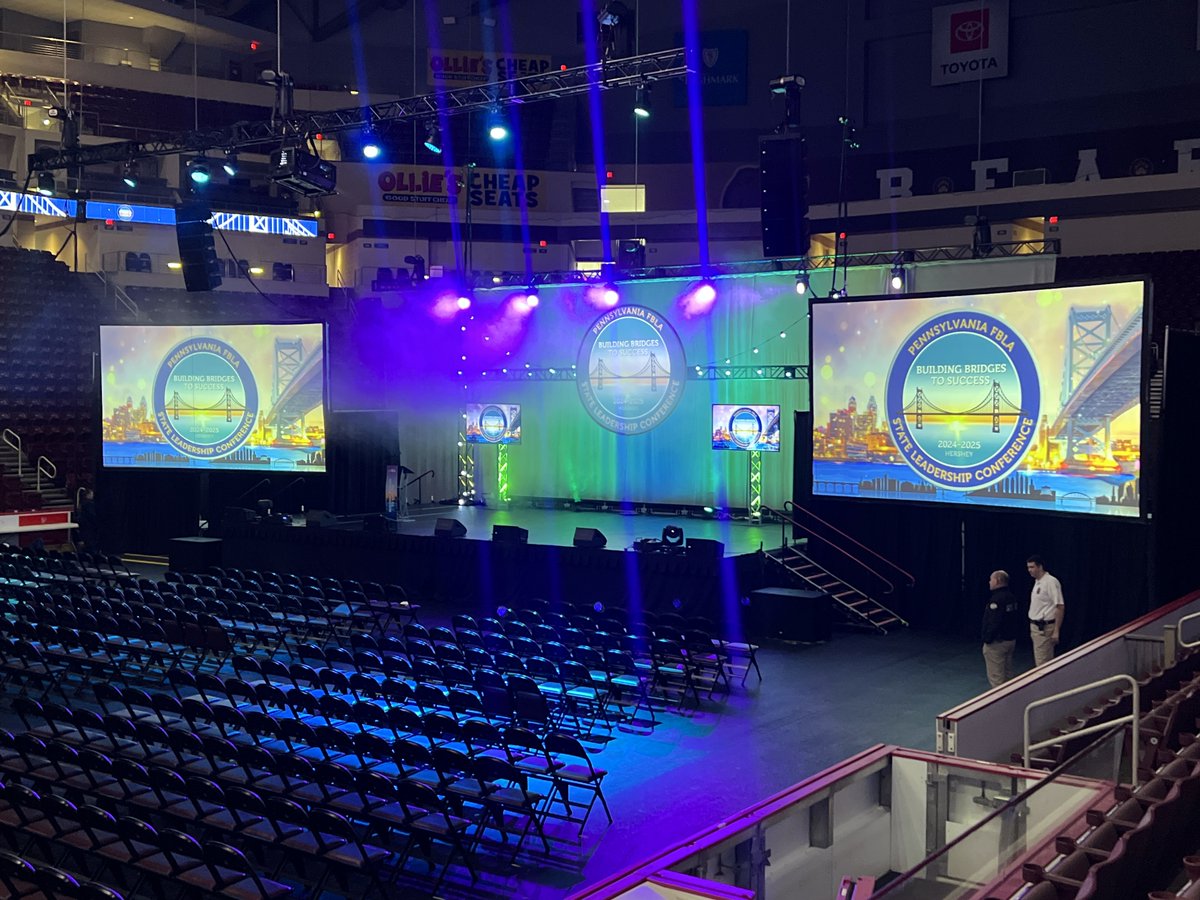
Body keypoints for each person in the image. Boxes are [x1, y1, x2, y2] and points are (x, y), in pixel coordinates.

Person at [982, 569, 1020, 687]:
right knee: (1008, 674)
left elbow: (994, 621)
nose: (989, 582)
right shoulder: (1011, 597)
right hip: (1010, 640)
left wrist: (987, 638)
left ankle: (1001, 703)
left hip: (997, 643)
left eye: (991, 580)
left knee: (996, 678)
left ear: (997, 581)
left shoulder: (997, 600)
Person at [1026, 555, 1065, 666]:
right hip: (1036, 628)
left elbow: (1060, 606)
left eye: (1032, 567)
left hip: (1044, 628)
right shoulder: (1037, 582)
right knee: (1042, 660)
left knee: (1043, 663)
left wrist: (1056, 631)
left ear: (1040, 566)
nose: (1030, 570)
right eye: (1028, 567)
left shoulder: (1050, 582)